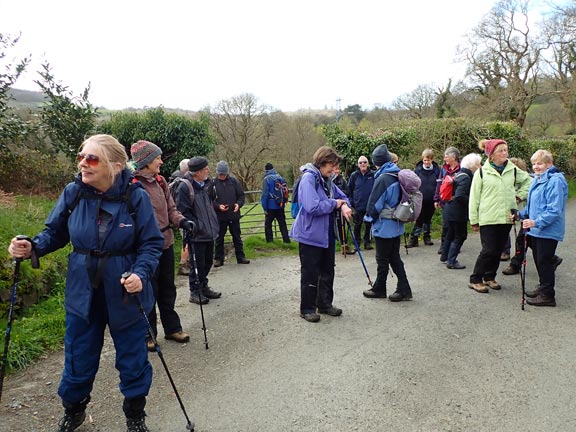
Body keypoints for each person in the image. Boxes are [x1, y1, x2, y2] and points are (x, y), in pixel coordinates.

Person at [8, 134, 164, 432]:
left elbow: (151, 244)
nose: (83, 163)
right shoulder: (73, 193)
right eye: (81, 156)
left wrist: (140, 274)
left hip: (124, 289)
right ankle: (74, 409)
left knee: (132, 357)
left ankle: (135, 416)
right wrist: (33, 246)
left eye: (91, 158)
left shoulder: (135, 196)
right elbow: (54, 232)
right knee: (79, 354)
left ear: (115, 166)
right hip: (83, 289)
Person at [130, 141, 193, 351]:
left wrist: (181, 220)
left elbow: (171, 208)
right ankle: (149, 334)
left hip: (166, 243)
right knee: (148, 290)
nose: (161, 161)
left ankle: (172, 328)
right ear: (146, 161)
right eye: (157, 158)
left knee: (168, 289)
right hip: (144, 249)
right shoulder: (132, 185)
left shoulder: (161, 181)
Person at [289, 146, 352, 322]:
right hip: (310, 235)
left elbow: (343, 197)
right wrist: (335, 204)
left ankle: (324, 304)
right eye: (332, 164)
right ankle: (307, 308)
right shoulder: (309, 179)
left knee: (327, 270)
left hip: (326, 234)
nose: (334, 169)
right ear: (322, 162)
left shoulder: (327, 180)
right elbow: (312, 206)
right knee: (310, 273)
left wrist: (344, 204)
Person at [467, 139, 532, 293]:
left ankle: (489, 277)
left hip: (506, 217)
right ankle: (475, 279)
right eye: (501, 151)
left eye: (506, 150)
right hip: (488, 217)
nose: (505, 153)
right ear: (491, 155)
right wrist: (474, 220)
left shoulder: (513, 169)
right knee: (488, 250)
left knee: (498, 251)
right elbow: (474, 198)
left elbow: (529, 182)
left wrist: (519, 196)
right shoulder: (482, 172)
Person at [516, 150, 568, 307]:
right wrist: (520, 214)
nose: (536, 167)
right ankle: (543, 286)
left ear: (549, 164)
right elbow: (533, 206)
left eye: (540, 163)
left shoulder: (555, 181)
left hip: (548, 230)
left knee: (544, 261)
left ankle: (547, 295)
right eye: (534, 164)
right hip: (537, 229)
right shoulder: (538, 179)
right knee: (540, 260)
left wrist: (535, 222)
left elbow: (554, 210)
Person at [362, 144, 413, 302]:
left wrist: (368, 219)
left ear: (377, 162)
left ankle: (380, 289)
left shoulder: (383, 178)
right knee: (394, 257)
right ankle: (403, 289)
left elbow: (373, 206)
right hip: (396, 224)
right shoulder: (397, 174)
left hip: (384, 226)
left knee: (382, 259)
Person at [174, 156, 220, 305]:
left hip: (209, 231)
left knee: (207, 262)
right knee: (197, 265)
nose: (208, 170)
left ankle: (203, 287)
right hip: (197, 234)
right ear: (198, 172)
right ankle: (195, 291)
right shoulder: (185, 187)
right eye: (205, 168)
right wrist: (196, 226)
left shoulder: (205, 184)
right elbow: (182, 211)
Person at [441, 153, 482, 269]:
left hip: (449, 209)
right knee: (460, 235)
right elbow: (460, 196)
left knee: (450, 234)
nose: (480, 167)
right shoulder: (466, 177)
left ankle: (445, 256)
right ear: (472, 166)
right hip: (457, 213)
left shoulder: (458, 174)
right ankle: (451, 261)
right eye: (478, 164)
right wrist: (472, 202)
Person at [210, 160, 250, 267]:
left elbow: (241, 196)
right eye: (220, 174)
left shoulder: (234, 181)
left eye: (223, 174)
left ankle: (240, 257)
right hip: (219, 216)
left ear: (227, 173)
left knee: (237, 237)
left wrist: (238, 204)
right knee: (219, 239)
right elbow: (209, 200)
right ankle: (218, 259)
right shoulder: (212, 183)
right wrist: (218, 206)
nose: (221, 176)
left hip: (233, 215)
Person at [407, 149, 440, 247]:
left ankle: (427, 237)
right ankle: (414, 238)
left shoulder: (437, 170)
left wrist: (437, 198)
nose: (426, 162)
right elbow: (413, 184)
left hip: (432, 199)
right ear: (422, 160)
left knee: (428, 218)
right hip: (420, 199)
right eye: (425, 160)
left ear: (432, 160)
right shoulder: (418, 170)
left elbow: (439, 184)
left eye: (428, 160)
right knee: (419, 218)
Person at [434, 147, 462, 261]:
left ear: (453, 157)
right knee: (446, 225)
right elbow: (439, 184)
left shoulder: (461, 170)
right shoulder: (444, 169)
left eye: (446, 155)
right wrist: (436, 199)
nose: (444, 158)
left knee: (455, 226)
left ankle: (453, 246)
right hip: (445, 201)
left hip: (456, 202)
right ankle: (443, 246)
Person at [170, 158, 192, 276]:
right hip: (181, 217)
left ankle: (186, 263)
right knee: (186, 241)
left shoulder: (175, 180)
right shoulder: (180, 183)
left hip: (178, 216)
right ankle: (183, 265)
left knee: (187, 240)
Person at [348, 155, 375, 250]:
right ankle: (357, 244)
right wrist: (351, 203)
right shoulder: (354, 176)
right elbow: (349, 190)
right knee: (357, 226)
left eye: (364, 162)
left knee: (369, 225)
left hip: (369, 206)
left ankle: (367, 243)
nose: (362, 164)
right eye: (360, 163)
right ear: (358, 165)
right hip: (357, 206)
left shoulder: (373, 175)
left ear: (368, 164)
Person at [261, 162, 291, 243]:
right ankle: (286, 240)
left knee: (268, 224)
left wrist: (265, 208)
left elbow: (265, 195)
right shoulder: (280, 177)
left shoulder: (266, 179)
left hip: (271, 206)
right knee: (282, 224)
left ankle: (270, 241)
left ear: (266, 170)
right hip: (280, 205)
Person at [332, 164, 354, 254]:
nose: (337, 171)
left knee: (342, 227)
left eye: (338, 169)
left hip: (342, 207)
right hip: (332, 207)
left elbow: (347, 191)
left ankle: (344, 246)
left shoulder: (342, 179)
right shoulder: (329, 180)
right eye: (335, 169)